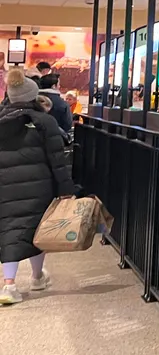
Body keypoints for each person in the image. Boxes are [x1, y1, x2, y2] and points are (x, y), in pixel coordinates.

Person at [0, 69, 74, 304]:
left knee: (9, 233)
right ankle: (36, 277)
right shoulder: (44, 121)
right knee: (39, 232)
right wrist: (66, 189)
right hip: (39, 184)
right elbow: (57, 160)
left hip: (6, 186)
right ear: (33, 95)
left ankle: (9, 285)